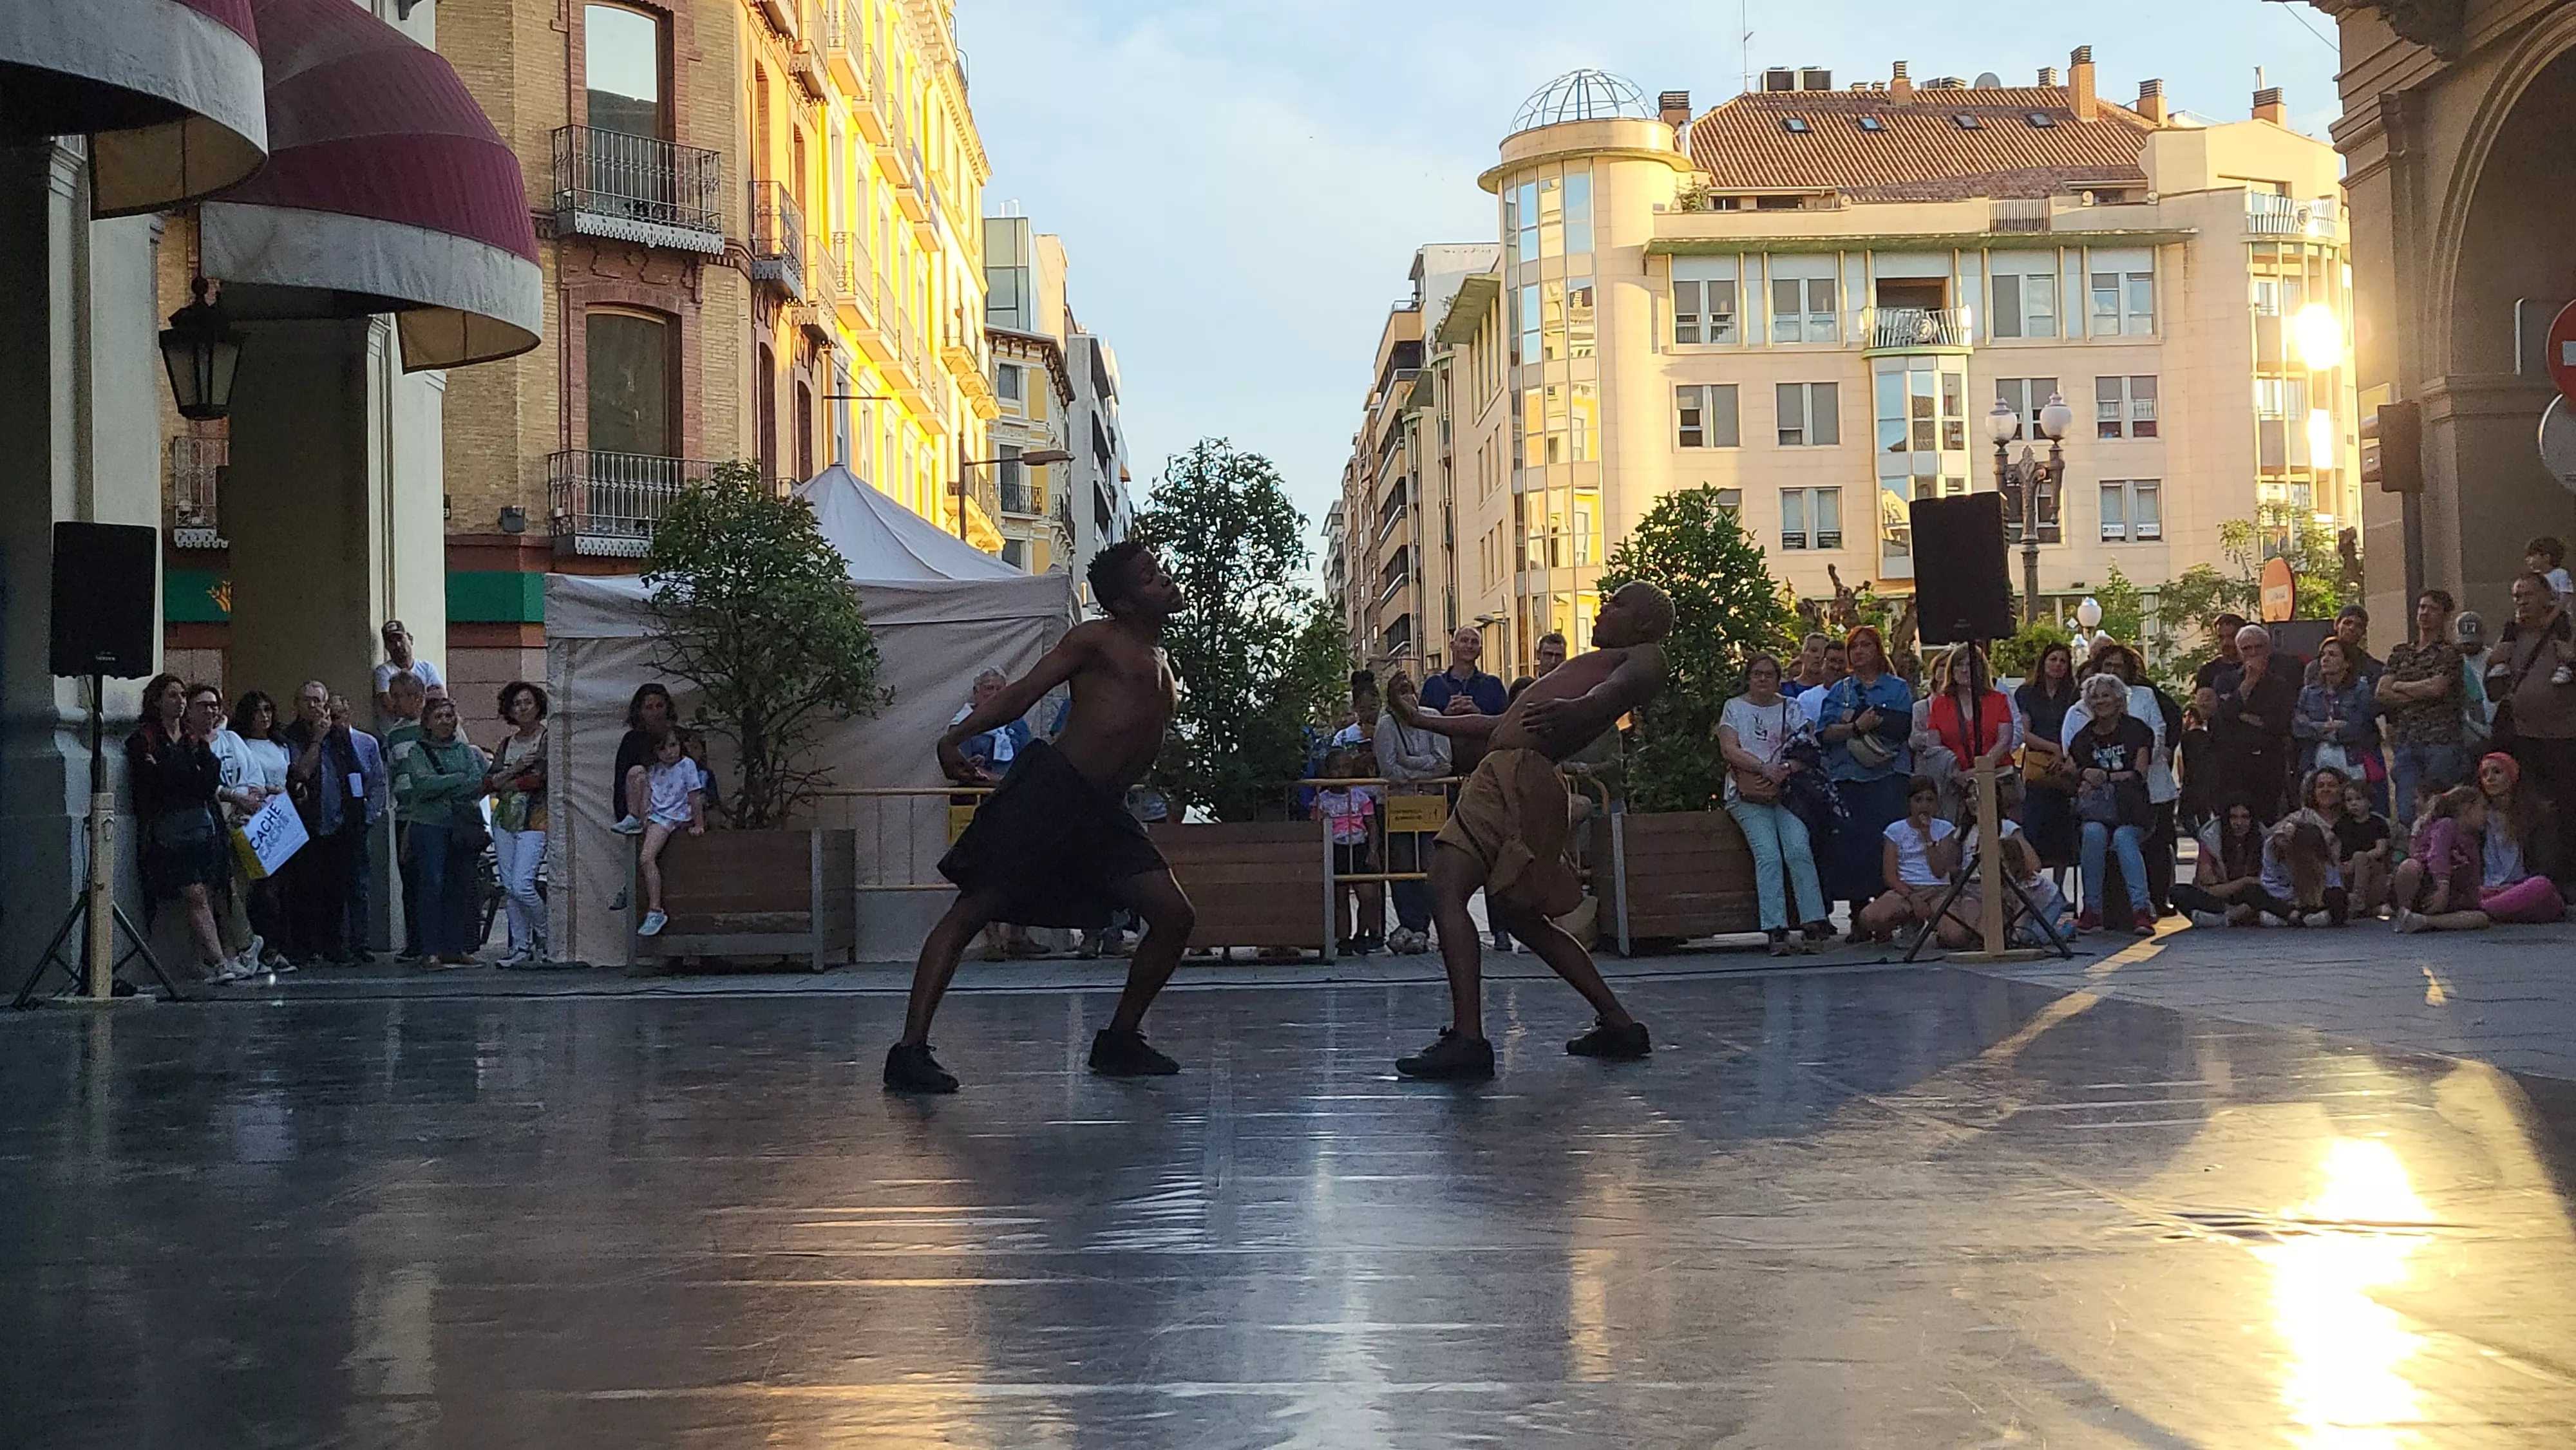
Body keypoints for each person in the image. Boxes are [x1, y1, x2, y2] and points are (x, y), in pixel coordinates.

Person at [887, 541, 1197, 1093]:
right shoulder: (1096, 639)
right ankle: (909, 1051)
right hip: (1052, 792)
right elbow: (1027, 690)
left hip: (1103, 811)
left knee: (1174, 916)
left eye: (1160, 571)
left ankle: (1120, 1040)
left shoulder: (1162, 661)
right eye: (1150, 577)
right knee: (974, 909)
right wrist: (956, 736)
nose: (1165, 580)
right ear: (1123, 604)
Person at [1381, 583, 1676, 1080]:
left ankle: (1469, 1038)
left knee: (1446, 887)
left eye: (1618, 603)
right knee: (1521, 917)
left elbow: (1615, 693)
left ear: (1646, 623)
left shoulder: (1645, 656)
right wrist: (1423, 721)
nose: (1604, 608)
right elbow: (1500, 723)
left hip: (1512, 775)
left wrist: (1579, 708)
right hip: (1521, 772)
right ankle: (1620, 1025)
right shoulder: (1604, 660)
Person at [126, 678, 241, 982]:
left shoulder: (192, 740)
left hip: (199, 827)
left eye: (181, 696)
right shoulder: (145, 739)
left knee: (207, 891)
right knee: (195, 894)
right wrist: (186, 775)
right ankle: (219, 962)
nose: (179, 701)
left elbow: (207, 782)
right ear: (157, 700)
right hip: (167, 830)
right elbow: (156, 783)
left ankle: (210, 958)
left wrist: (182, 775)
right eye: (172, 695)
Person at [1718, 652, 1831, 955]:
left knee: (1798, 849)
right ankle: (1775, 928)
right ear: (1749, 677)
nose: (1763, 679)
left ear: (1778, 678)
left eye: (1769, 674)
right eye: (1758, 674)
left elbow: (1808, 748)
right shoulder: (1734, 708)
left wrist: (1786, 770)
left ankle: (1813, 922)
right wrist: (1762, 768)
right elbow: (1729, 748)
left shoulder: (1791, 708)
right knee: (1767, 853)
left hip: (1787, 791)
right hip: (1749, 792)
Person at [283, 683, 388, 966]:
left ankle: (336, 945)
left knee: (338, 890)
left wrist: (364, 817)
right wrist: (317, 740)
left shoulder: (341, 737)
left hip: (343, 825)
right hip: (306, 824)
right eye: (306, 701)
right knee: (305, 888)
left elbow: (365, 777)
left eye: (318, 701)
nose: (313, 707)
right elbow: (300, 772)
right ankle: (304, 947)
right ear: (297, 705)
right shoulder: (291, 737)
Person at [1817, 626, 1915, 922]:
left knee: (1885, 846)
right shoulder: (1840, 690)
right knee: (1853, 848)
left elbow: (1901, 727)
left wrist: (1867, 718)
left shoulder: (1897, 688)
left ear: (1877, 650)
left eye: (1866, 645)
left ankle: (1890, 914)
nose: (1859, 651)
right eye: (1854, 647)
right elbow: (1826, 732)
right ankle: (1860, 915)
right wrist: (1856, 726)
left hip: (1888, 777)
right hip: (1848, 778)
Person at [393, 698, 489, 966]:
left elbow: (475, 783)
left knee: (458, 886)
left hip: (460, 826)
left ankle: (456, 947)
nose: (445, 721)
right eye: (439, 716)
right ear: (428, 723)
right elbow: (422, 785)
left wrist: (445, 784)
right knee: (431, 885)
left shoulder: (466, 752)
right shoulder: (417, 752)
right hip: (429, 826)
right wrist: (456, 779)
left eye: (449, 716)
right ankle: (430, 949)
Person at [2492, 572, 2576, 847]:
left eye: (2528, 595)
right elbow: (2493, 692)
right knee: (2531, 810)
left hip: (2564, 738)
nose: (2522, 602)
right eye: (2517, 596)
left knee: (2565, 809)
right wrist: (2497, 662)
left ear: (2547, 596)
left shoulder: (2567, 631)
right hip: (2523, 738)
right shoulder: (2512, 636)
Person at [2069, 673, 2157, 936]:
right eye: (2094, 697)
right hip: (2097, 811)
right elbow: (2074, 771)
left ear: (2119, 699)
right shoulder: (2083, 738)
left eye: (2106, 695)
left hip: (2132, 809)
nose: (2100, 701)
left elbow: (2139, 772)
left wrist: (2104, 777)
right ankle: (2092, 909)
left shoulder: (2137, 730)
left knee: (2123, 838)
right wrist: (2084, 774)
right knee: (2093, 833)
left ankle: (2141, 909)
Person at [2377, 589, 2468, 829]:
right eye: (2422, 607)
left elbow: (2437, 688)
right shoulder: (2401, 652)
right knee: (2408, 811)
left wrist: (2401, 685)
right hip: (2408, 742)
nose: (2425, 613)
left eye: (2432, 609)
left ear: (2445, 616)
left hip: (2441, 742)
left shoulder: (2449, 653)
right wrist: (2418, 692)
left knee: (2440, 809)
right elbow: (2382, 692)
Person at [1375, 669, 1450, 956]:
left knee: (1430, 866)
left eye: (1410, 690)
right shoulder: (1386, 724)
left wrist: (1410, 766)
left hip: (1431, 803)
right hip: (1399, 806)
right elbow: (1389, 769)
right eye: (1400, 692)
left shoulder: (1434, 717)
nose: (1407, 696)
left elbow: (1445, 763)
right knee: (1403, 865)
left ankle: (1423, 927)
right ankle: (1408, 922)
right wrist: (1422, 768)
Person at [225, 691, 294, 968]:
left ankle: (280, 945)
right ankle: (263, 946)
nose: (264, 717)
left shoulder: (281, 744)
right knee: (261, 889)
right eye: (257, 711)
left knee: (284, 887)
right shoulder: (240, 743)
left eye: (268, 710)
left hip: (282, 816)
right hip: (255, 818)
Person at [1850, 775, 1958, 943]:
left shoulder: (1945, 829)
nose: (1924, 806)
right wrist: (1913, 898)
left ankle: (1938, 927)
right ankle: (1909, 920)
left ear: (1937, 803)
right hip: (1907, 889)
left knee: (1956, 936)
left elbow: (1939, 872)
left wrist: (1927, 837)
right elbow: (1890, 876)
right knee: (1869, 918)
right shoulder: (1895, 830)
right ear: (1910, 803)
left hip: (1938, 889)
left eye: (1929, 800)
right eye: (1918, 800)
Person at [1919, 642, 2020, 821]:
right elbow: (1935, 746)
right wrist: (1958, 774)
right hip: (1956, 783)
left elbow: (2005, 741)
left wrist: (1980, 771)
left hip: (1997, 779)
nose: (1965, 670)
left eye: (1970, 664)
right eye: (1959, 664)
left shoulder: (1998, 699)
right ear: (1952, 669)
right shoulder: (1940, 704)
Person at [486, 681, 548, 965]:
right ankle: (521, 948)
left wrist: (510, 781)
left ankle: (548, 935)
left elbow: (540, 780)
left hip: (536, 817)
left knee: (523, 883)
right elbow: (489, 782)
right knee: (509, 886)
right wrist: (518, 768)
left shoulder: (546, 738)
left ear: (538, 707)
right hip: (505, 818)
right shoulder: (508, 744)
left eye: (528, 702)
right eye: (517, 704)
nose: (522, 708)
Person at [625, 728, 706, 941]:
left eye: (673, 745)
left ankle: (655, 910)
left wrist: (699, 823)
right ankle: (633, 818)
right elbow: (650, 793)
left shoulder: (687, 765)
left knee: (646, 858)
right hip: (658, 815)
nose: (670, 752)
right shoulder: (654, 770)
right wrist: (644, 815)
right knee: (635, 774)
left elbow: (695, 795)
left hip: (672, 817)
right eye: (663, 748)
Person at [2213, 624, 2298, 821]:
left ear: (2267, 650)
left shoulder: (2280, 685)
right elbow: (2224, 717)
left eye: (2258, 647)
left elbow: (2278, 724)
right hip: (2235, 764)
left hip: (2268, 764)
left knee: (2268, 819)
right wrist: (2248, 684)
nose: (2253, 653)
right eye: (2246, 648)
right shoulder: (2225, 681)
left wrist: (2244, 716)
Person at [2472, 752, 2566, 923]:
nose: (2490, 778)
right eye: (2484, 774)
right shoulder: (2478, 817)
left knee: (2541, 885)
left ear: (2512, 777)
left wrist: (2516, 886)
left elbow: (2547, 866)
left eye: (2497, 772)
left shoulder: (2538, 814)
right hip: (2489, 890)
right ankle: (2490, 911)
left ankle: (2477, 913)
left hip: (2525, 888)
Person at [2293, 637, 2385, 811]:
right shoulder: (2309, 692)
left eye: (2333, 655)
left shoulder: (2360, 690)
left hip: (2352, 762)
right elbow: (2298, 727)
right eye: (2323, 655)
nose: (2325, 659)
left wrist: (2316, 727)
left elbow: (2360, 726)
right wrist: (2327, 727)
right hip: (2316, 762)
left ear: (2347, 663)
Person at [2389, 786, 2495, 934]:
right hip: (2428, 886)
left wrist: (2471, 904)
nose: (2486, 814)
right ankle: (2405, 911)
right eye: (2483, 808)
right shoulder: (2447, 825)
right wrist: (2442, 887)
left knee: (2481, 918)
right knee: (2409, 867)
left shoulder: (2473, 841)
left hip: (2450, 897)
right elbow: (2438, 855)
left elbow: (2472, 878)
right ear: (2466, 809)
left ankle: (2423, 921)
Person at [2013, 641, 2081, 873]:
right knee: (2033, 827)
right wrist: (2053, 748)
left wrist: (2064, 754)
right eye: (2053, 659)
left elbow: (2081, 730)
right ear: (2043, 662)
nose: (2058, 665)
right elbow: (2023, 732)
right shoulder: (2027, 692)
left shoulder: (2074, 694)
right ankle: (2034, 881)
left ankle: (2060, 888)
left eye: (2063, 661)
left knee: (2063, 834)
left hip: (2066, 767)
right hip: (2038, 766)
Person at [379, 670, 430, 957]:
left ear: (418, 697)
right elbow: (390, 773)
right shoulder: (394, 733)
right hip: (404, 814)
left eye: (399, 696)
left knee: (432, 879)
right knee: (409, 879)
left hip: (433, 814)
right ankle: (415, 942)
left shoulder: (436, 725)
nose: (394, 702)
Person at [1312, 747, 1381, 955]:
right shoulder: (1321, 800)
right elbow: (1316, 825)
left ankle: (1362, 934)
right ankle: (1344, 938)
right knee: (1340, 897)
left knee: (1368, 895)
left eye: (1346, 768)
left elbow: (1372, 824)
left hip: (1358, 847)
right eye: (1336, 769)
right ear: (1328, 772)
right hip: (1335, 848)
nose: (1341, 773)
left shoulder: (1360, 797)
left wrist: (1372, 851)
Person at [2174, 800, 2272, 927]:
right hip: (2222, 899)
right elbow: (2209, 889)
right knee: (2178, 892)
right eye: (2233, 817)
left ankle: (2224, 918)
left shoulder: (2264, 840)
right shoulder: (2211, 840)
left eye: (2245, 817)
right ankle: (2232, 916)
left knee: (2257, 893)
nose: (2239, 823)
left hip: (2251, 896)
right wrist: (2245, 881)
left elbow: (2270, 884)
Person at [612, 684, 677, 830]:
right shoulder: (632, 741)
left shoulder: (677, 736)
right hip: (646, 811)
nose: (656, 712)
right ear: (640, 712)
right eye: (649, 707)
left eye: (660, 706)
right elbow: (622, 782)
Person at [951, 667, 1032, 784]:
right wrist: (1003, 781)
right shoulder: (962, 724)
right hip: (978, 794)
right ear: (976, 692)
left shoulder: (1016, 722)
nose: (995, 694)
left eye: (999, 689)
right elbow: (961, 770)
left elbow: (1029, 758)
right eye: (989, 688)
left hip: (1015, 793)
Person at [372, 619, 445, 735]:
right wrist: (426, 701)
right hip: (396, 735)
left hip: (427, 732)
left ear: (410, 639)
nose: (397, 645)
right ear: (386, 647)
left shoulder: (427, 668)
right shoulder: (384, 671)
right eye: (391, 641)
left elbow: (441, 696)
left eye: (400, 639)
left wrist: (409, 702)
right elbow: (389, 704)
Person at [2333, 777, 2392, 919]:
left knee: (2359, 856)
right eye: (2349, 800)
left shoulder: (2378, 823)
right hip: (2348, 869)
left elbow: (2380, 849)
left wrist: (2357, 860)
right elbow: (2332, 842)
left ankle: (2358, 897)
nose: (2354, 803)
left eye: (2358, 799)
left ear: (2369, 802)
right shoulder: (2343, 823)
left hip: (2373, 868)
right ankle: (2362, 908)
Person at [1796, 637, 1848, 728]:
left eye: (1841, 662)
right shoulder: (1806, 699)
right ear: (1823, 662)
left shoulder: (1856, 695)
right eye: (1832, 661)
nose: (1836, 667)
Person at [2195, 613, 2249, 694]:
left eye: (2232, 637)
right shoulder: (2207, 672)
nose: (2225, 643)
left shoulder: (2253, 668)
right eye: (2221, 637)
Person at [2530, 534, 2573, 607]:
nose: (2528, 559)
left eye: (2533, 555)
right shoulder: (2533, 577)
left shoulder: (2561, 574)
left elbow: (2564, 600)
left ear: (2546, 557)